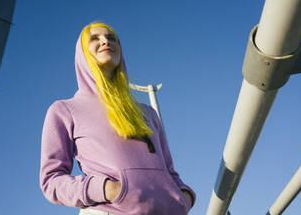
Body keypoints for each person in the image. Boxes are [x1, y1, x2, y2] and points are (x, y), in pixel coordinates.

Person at [40, 22, 196, 215]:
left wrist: (184, 197)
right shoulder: (65, 110)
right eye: (95, 38)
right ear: (82, 53)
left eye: (111, 37)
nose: (105, 41)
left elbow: (168, 171)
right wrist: (108, 189)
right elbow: (51, 180)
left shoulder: (148, 113)